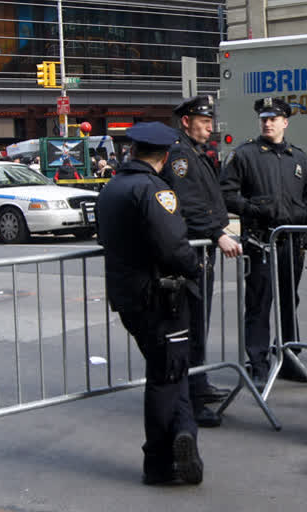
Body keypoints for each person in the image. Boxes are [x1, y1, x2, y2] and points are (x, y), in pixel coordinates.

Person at [96, 121, 204, 486]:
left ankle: (184, 435)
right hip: (160, 297)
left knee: (173, 371)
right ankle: (157, 463)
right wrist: (195, 266)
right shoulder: (154, 190)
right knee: (165, 375)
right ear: (165, 155)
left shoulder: (112, 186)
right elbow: (174, 247)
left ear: (132, 150)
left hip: (130, 298)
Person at [221, 97, 307, 391]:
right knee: (259, 303)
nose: (267, 123)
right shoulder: (245, 155)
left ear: (285, 123)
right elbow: (226, 194)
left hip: (290, 243)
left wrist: (301, 215)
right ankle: (259, 362)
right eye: (264, 118)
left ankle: (289, 357)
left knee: (289, 302)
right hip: (259, 242)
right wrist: (254, 209)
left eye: (273, 118)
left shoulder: (299, 158)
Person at [163, 94, 242, 428]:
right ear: (186, 121)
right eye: (204, 121)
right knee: (190, 326)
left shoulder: (194, 152)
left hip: (201, 250)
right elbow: (190, 205)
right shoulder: (181, 154)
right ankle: (191, 400)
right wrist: (217, 233)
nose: (210, 127)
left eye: (211, 121)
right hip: (191, 252)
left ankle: (199, 383)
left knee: (199, 324)